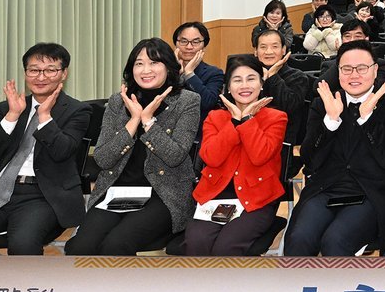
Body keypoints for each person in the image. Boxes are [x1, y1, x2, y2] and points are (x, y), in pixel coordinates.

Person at [66, 38, 200, 255]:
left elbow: (175, 155)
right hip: (117, 192)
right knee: (81, 247)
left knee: (116, 245)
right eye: (139, 63)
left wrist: (148, 121)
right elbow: (103, 159)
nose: (146, 70)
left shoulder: (187, 101)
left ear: (168, 67)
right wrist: (133, 120)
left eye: (154, 63)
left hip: (163, 194)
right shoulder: (118, 101)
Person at [0, 43, 91, 255]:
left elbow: (63, 151)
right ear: (25, 73)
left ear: (63, 73)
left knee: (23, 245)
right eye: (34, 70)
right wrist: (12, 116)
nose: (41, 77)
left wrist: (45, 117)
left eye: (50, 70)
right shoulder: (8, 107)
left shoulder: (78, 110)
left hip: (43, 197)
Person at [283, 40, 385, 256]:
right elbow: (309, 159)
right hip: (325, 189)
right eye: (347, 69)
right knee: (299, 238)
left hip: (370, 193)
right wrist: (330, 121)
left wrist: (368, 119)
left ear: (375, 70)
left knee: (335, 241)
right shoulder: (324, 103)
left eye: (362, 68)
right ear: (338, 71)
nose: (354, 75)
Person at [185, 56, 287, 256]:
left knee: (226, 248)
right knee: (196, 244)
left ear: (261, 83)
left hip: (256, 198)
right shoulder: (215, 117)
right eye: (237, 80)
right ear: (228, 87)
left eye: (251, 79)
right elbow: (211, 158)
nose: (244, 85)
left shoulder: (276, 118)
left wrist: (247, 120)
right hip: (215, 195)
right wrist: (233, 122)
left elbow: (260, 156)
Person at [254, 29, 312, 145]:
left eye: (275, 47)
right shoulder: (249, 76)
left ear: (284, 50)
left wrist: (273, 76)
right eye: (263, 47)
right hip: (252, 134)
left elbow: (289, 107)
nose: (269, 52)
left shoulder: (298, 77)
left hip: (283, 139)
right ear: (255, 51)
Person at [172, 21, 224, 120]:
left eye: (195, 42)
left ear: (204, 46)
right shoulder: (165, 71)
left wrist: (189, 74)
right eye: (183, 41)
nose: (189, 47)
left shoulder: (214, 73)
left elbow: (208, 103)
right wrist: (176, 74)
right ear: (176, 44)